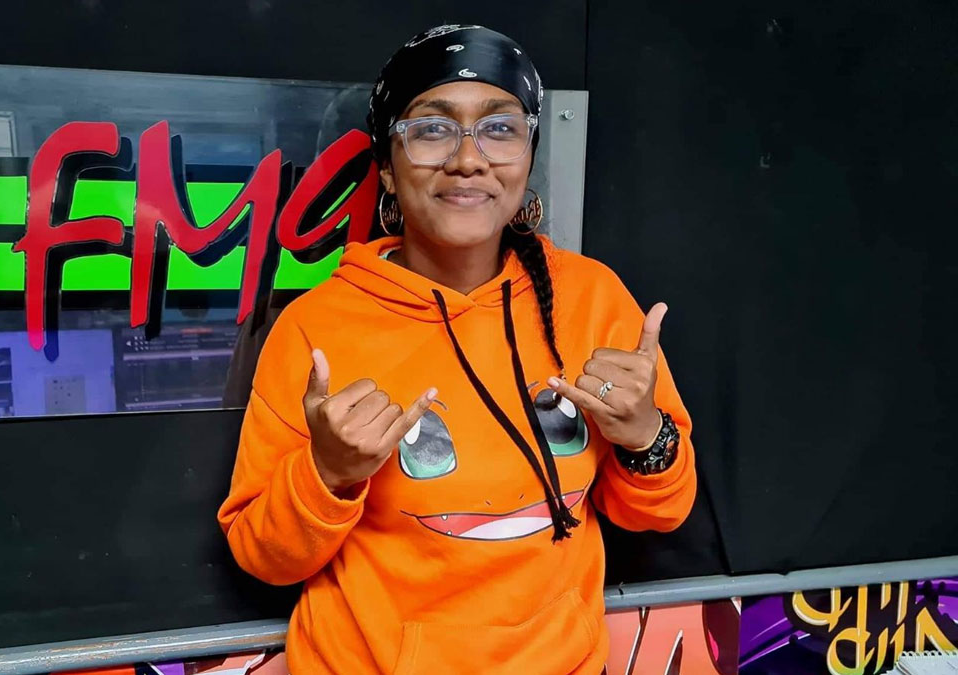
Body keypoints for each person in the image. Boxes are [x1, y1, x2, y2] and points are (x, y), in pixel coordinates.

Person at [218, 24, 696, 674]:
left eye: (498, 128)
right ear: (388, 168)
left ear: (526, 156)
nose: (468, 158)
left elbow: (661, 512)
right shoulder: (316, 327)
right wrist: (328, 472)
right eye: (432, 128)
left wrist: (645, 435)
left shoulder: (593, 298)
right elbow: (262, 555)